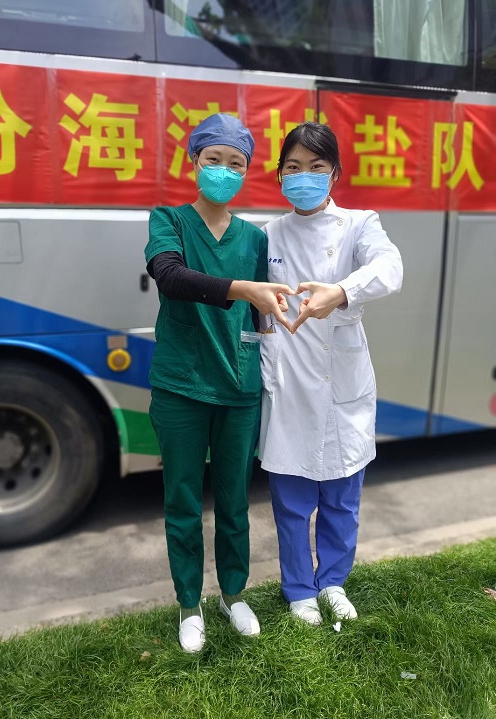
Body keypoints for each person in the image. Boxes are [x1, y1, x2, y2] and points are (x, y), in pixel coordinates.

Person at [145, 113, 294, 653]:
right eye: (214, 160)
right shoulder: (169, 220)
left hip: (238, 386)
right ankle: (190, 604)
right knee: (183, 500)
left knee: (234, 501)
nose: (224, 171)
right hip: (181, 385)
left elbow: (261, 316)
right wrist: (243, 289)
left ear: (246, 171)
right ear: (194, 161)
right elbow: (171, 277)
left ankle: (234, 594)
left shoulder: (254, 238)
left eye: (236, 163)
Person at [259, 122, 403, 626]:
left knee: (343, 498)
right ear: (280, 175)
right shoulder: (267, 235)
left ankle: (334, 582)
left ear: (334, 173)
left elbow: (389, 267)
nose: (304, 176)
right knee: (292, 502)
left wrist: (341, 292)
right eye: (293, 167)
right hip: (289, 381)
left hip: (342, 378)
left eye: (316, 167)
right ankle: (300, 589)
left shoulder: (360, 225)